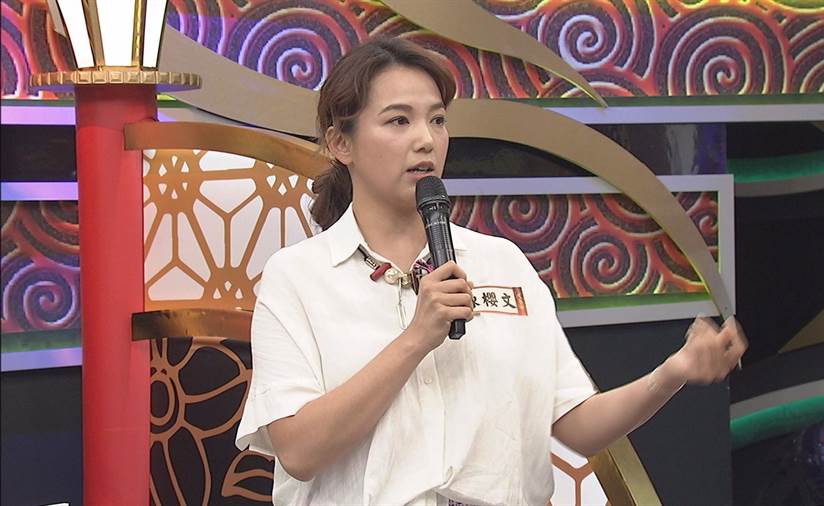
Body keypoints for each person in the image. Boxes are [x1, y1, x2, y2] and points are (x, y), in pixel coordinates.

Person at [235, 37, 747, 506]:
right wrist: (416, 339)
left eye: (437, 120)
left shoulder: (502, 263)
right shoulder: (298, 277)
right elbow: (298, 450)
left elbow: (577, 426)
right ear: (340, 143)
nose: (426, 140)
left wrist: (672, 373)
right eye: (398, 121)